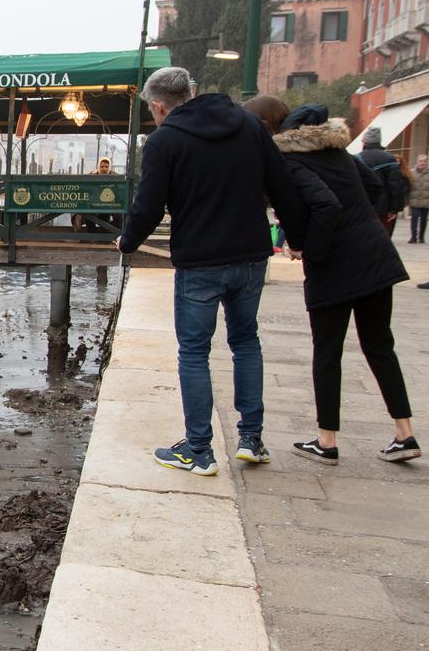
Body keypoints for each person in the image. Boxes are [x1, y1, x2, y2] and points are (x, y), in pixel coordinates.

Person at [118, 67, 306, 476]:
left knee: (194, 352)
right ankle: (251, 439)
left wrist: (128, 242)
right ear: (193, 91)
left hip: (199, 260)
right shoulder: (249, 125)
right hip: (251, 255)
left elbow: (149, 205)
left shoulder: (164, 140)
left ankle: (199, 450)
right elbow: (282, 184)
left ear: (157, 105)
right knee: (245, 342)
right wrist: (299, 236)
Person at [263, 102, 419, 463]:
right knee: (380, 347)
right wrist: (363, 224)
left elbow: (326, 205)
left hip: (335, 265)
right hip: (376, 257)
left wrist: (308, 250)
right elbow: (376, 189)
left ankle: (327, 441)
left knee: (327, 352)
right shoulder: (343, 156)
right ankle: (404, 433)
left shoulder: (292, 162)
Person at [356, 127, 408, 238]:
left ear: (365, 141)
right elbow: (396, 186)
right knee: (383, 239)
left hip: (364, 208)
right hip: (384, 209)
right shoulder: (389, 159)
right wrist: (394, 208)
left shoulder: (358, 158)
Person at [408, 154, 429, 244]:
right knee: (414, 218)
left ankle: (421, 237)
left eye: (424, 161)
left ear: (427, 162)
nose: (422, 163)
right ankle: (413, 237)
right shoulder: (411, 172)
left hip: (426, 200)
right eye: (420, 161)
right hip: (414, 199)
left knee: (424, 219)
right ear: (417, 162)